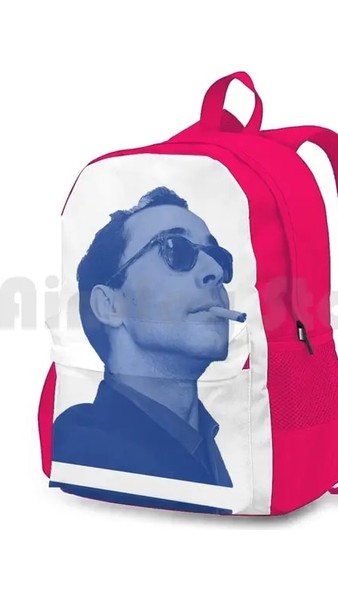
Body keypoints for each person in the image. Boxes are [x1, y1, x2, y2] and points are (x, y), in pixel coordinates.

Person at [52, 187, 238, 513]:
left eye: (218, 256)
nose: (216, 270)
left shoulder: (205, 444)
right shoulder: (83, 453)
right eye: (176, 249)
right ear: (109, 305)